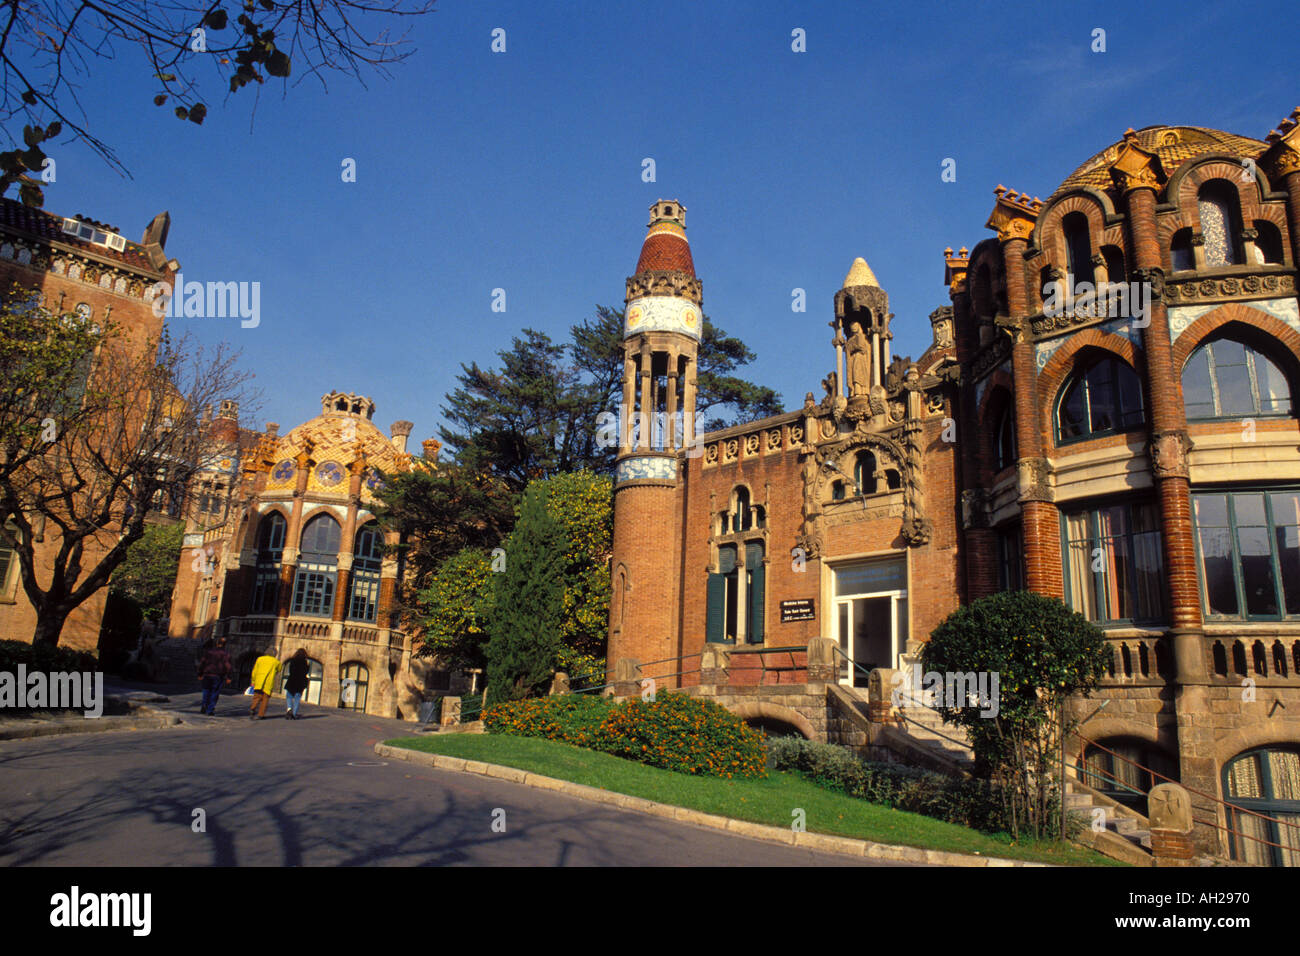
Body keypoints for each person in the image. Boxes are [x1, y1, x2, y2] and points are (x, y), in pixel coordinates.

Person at [197, 637, 233, 715]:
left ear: (217, 643)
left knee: (206, 690)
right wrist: (229, 676)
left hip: (207, 674)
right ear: (224, 645)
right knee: (215, 692)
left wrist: (200, 673)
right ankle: (210, 709)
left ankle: (204, 705)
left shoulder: (209, 652)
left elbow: (202, 663)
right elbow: (228, 666)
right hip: (218, 675)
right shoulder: (226, 654)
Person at [248, 653, 282, 720]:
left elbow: (254, 671)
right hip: (268, 682)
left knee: (256, 696)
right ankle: (261, 714)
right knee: (265, 699)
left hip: (259, 680)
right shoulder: (276, 662)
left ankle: (253, 708)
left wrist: (253, 681)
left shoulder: (259, 659)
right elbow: (279, 669)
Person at [283, 648, 310, 720]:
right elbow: (306, 672)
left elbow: (290, 670)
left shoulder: (293, 660)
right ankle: (294, 714)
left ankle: (289, 709)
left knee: (289, 696)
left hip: (292, 680)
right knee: (297, 698)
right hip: (300, 682)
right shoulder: (305, 662)